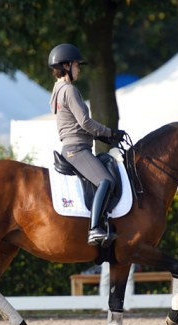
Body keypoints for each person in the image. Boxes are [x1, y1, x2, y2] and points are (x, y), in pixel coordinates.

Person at [48, 43, 126, 246]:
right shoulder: (69, 90)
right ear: (66, 66)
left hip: (73, 146)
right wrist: (110, 132)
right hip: (77, 150)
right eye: (76, 65)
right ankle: (94, 229)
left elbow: (75, 124)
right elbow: (85, 122)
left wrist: (101, 138)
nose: (79, 68)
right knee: (106, 180)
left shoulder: (57, 90)